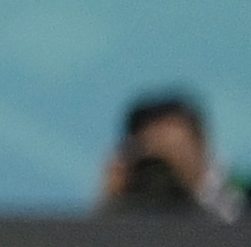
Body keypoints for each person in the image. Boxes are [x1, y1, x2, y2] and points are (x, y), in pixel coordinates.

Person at [97, 90, 241, 220]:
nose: (165, 169)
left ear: (201, 146)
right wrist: (110, 203)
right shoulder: (128, 212)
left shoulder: (240, 199)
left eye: (175, 149)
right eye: (155, 159)